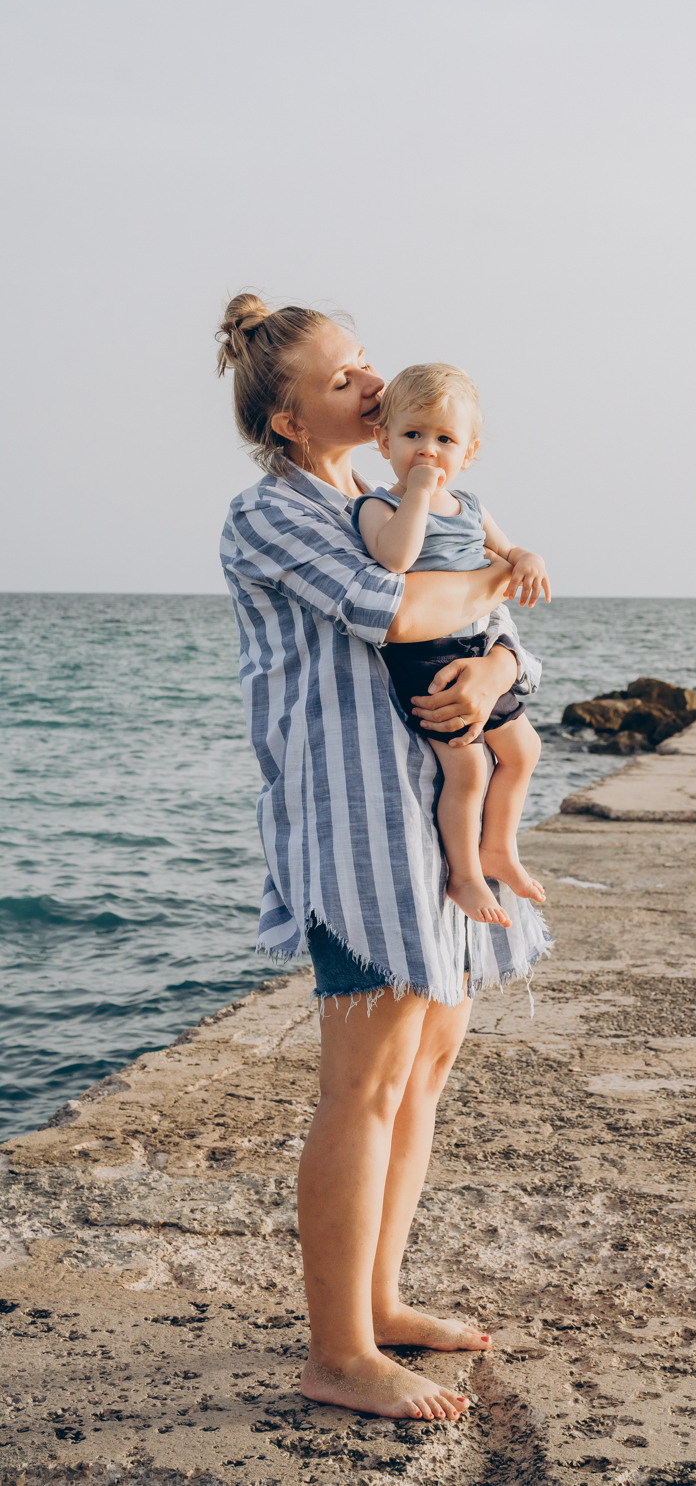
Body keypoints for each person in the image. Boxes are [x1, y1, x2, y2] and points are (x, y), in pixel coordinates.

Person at [216, 293, 550, 1423]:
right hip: (352, 819)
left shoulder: (388, 495)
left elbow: (497, 636)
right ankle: (337, 1349)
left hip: (428, 801)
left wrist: (504, 674)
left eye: (367, 364)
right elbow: (392, 611)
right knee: (361, 1082)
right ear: (288, 418)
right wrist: (488, 606)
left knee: (427, 1061)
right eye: (345, 375)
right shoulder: (270, 513)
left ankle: (382, 1297)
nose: (372, 383)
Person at [358, 362, 549, 930]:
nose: (428, 451)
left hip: (476, 645)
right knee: (466, 767)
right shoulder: (378, 507)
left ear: (468, 451)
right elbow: (394, 558)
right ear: (383, 440)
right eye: (412, 435)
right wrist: (417, 494)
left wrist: (529, 560)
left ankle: (499, 848)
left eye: (445, 440)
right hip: (423, 656)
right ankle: (464, 873)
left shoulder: (470, 506)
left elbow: (508, 554)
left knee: (523, 752)